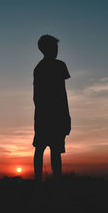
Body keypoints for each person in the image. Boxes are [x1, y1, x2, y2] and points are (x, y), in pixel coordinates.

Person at [33, 35, 71, 181]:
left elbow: (62, 94)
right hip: (48, 115)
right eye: (53, 47)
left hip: (54, 115)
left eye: (56, 48)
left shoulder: (57, 66)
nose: (56, 50)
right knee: (43, 149)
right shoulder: (43, 68)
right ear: (45, 49)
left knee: (53, 151)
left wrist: (66, 116)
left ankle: (55, 182)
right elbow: (39, 96)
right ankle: (41, 182)